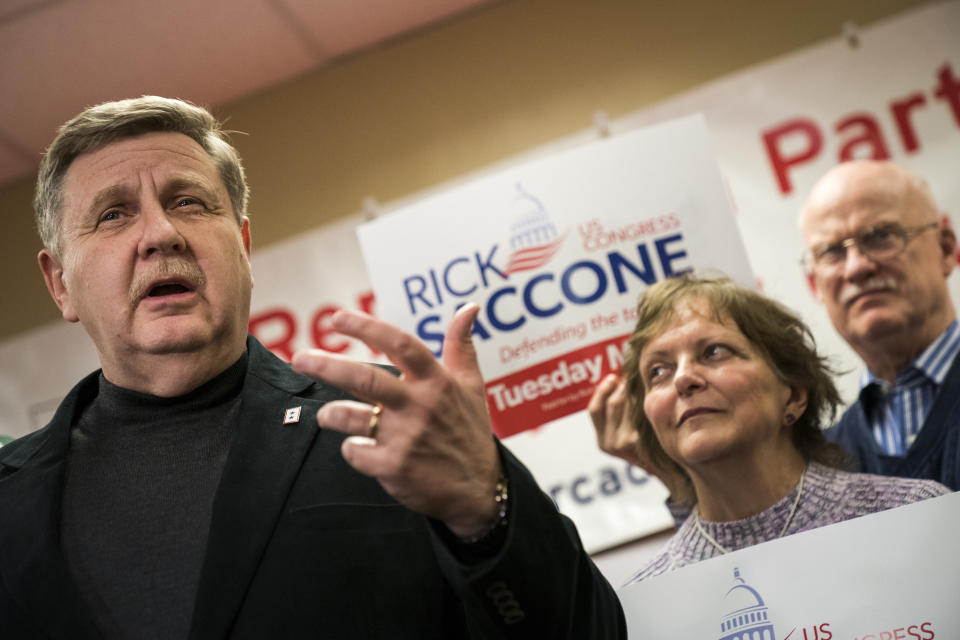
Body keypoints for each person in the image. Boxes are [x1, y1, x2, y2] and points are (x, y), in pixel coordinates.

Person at [0, 96, 625, 638]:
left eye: (188, 202)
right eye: (113, 214)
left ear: (243, 247)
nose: (160, 232)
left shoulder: (392, 425)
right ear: (60, 284)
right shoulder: (9, 501)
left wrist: (487, 518)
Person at [607, 275, 948, 583]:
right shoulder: (647, 598)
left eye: (714, 351)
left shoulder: (915, 514)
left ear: (794, 395)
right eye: (658, 372)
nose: (682, 378)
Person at [800, 160, 960, 490]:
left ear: (946, 249)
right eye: (832, 251)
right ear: (814, 284)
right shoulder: (821, 470)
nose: (856, 267)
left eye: (880, 236)